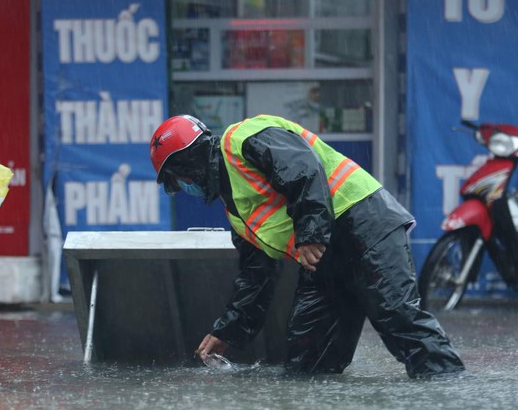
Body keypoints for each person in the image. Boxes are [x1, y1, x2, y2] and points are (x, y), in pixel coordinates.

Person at [149, 114, 465, 378]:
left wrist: (311, 232)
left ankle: (450, 398)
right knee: (308, 360)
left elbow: (303, 169)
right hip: (322, 260)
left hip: (364, 223)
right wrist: (227, 332)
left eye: (178, 180)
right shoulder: (235, 214)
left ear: (189, 161)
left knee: (400, 321)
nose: (183, 188)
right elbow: (256, 280)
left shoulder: (241, 139)